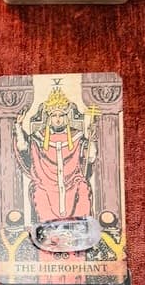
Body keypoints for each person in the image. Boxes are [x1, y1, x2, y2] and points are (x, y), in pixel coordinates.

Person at [13, 83, 96, 221]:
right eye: (54, 115)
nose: (58, 119)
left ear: (66, 117)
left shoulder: (77, 136)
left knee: (83, 187)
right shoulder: (38, 137)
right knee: (38, 191)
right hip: (45, 184)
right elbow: (23, 148)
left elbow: (90, 157)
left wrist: (92, 138)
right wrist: (18, 126)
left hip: (73, 183)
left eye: (61, 115)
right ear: (49, 118)